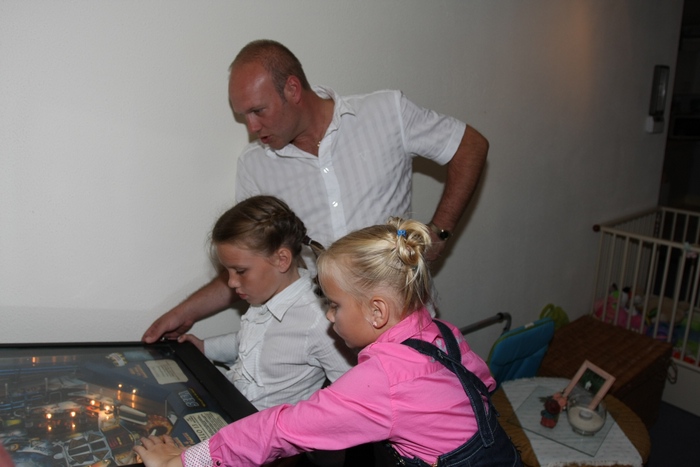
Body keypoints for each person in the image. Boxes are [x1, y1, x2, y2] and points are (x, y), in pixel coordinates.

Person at [142, 39, 489, 345]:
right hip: (326, 340)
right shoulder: (255, 166)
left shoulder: (386, 111)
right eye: (243, 115)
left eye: (258, 111)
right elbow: (253, 264)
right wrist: (183, 313)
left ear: (292, 89)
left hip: (406, 328)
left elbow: (470, 146)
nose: (252, 126)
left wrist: (439, 233)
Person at [134, 218, 521, 467]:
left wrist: (184, 460)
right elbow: (482, 383)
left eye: (334, 305)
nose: (330, 316)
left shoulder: (382, 380)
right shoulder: (442, 330)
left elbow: (281, 428)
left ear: (377, 312)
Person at [176, 195, 354, 411]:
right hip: (232, 409)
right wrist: (205, 348)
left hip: (266, 428)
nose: (231, 282)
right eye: (228, 272)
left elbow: (350, 394)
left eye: (240, 271)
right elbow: (250, 342)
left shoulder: (318, 321)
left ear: (281, 260)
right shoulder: (264, 296)